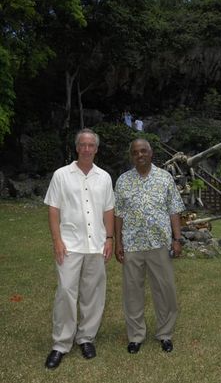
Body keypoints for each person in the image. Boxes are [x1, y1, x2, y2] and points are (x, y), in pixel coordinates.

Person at [44, 128, 115, 369]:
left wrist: (109, 238)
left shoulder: (104, 177)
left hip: (96, 244)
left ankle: (86, 338)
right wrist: (57, 240)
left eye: (90, 145)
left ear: (96, 149)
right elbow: (53, 209)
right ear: (77, 148)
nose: (86, 149)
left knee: (93, 294)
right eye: (82, 145)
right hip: (69, 245)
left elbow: (108, 210)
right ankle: (61, 343)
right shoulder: (61, 175)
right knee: (66, 292)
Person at [114, 138, 185, 354]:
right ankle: (135, 336)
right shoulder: (123, 181)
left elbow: (174, 210)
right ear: (131, 156)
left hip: (159, 244)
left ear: (151, 153)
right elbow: (118, 214)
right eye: (135, 152)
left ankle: (165, 334)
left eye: (143, 151)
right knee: (132, 292)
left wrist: (177, 238)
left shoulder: (165, 178)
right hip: (132, 245)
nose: (140, 155)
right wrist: (117, 242)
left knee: (165, 291)